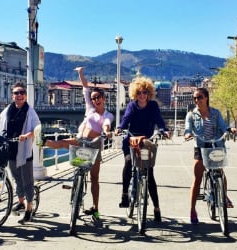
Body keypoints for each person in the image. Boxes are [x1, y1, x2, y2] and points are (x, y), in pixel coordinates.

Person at [45, 67, 114, 222]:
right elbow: (85, 88)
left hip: (95, 145)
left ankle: (96, 209)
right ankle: (42, 142)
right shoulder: (89, 108)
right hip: (81, 140)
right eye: (94, 97)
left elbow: (106, 124)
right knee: (62, 143)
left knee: (94, 178)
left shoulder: (108, 115)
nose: (96, 100)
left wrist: (107, 131)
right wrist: (80, 73)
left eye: (98, 97)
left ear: (103, 98)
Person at [114, 76, 170, 222]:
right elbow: (125, 119)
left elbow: (159, 120)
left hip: (147, 142)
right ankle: (125, 194)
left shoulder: (153, 106)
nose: (142, 95)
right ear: (135, 94)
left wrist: (164, 130)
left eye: (145, 92)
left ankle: (157, 208)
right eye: (139, 93)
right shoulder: (132, 106)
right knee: (128, 162)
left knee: (149, 174)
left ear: (149, 93)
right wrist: (120, 128)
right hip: (131, 141)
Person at [0, 82, 40, 223]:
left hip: (24, 149)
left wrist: (27, 135)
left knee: (27, 181)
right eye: (16, 93)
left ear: (25, 96)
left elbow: (37, 128)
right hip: (10, 148)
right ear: (12, 96)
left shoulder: (30, 111)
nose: (19, 95)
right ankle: (21, 201)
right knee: (16, 178)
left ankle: (29, 209)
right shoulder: (7, 109)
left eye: (22, 92)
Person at [184, 87, 236, 225]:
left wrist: (229, 129)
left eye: (200, 97)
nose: (197, 100)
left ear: (206, 98)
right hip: (200, 147)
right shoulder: (191, 115)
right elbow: (188, 128)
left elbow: (223, 125)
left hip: (216, 146)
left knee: (220, 173)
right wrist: (188, 134)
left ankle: (223, 196)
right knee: (197, 178)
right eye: (195, 98)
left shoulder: (215, 113)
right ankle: (192, 210)